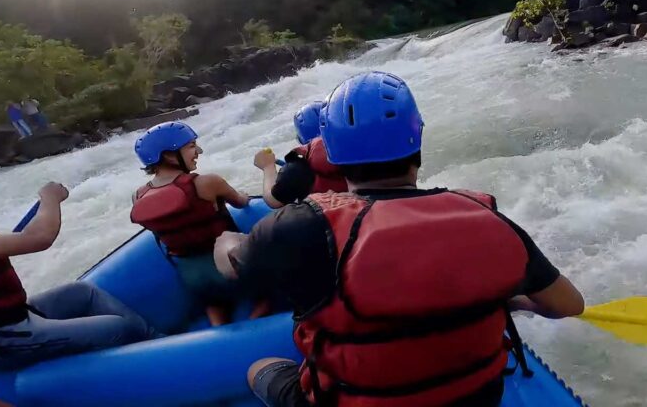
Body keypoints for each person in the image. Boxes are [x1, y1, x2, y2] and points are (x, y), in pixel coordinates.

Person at [214, 71, 585, 407]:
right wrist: (513, 299)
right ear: (417, 139)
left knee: (259, 368)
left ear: (332, 151)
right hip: (476, 398)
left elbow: (232, 268)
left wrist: (225, 239)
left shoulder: (298, 225)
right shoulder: (484, 214)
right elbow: (568, 304)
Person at [0, 182, 160, 370]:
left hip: (13, 317)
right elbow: (39, 238)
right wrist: (50, 197)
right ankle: (157, 367)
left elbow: (16, 239)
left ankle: (156, 340)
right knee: (117, 328)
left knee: (81, 292)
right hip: (1, 339)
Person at [131, 121, 268, 327]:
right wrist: (245, 195)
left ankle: (217, 329)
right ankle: (254, 326)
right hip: (231, 266)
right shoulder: (205, 183)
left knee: (213, 301)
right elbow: (240, 202)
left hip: (191, 277)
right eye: (192, 146)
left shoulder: (138, 196)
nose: (199, 151)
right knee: (269, 290)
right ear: (169, 155)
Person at [253, 101, 347, 209]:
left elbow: (274, 201)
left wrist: (268, 167)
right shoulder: (353, 150)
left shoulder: (297, 168)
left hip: (325, 217)